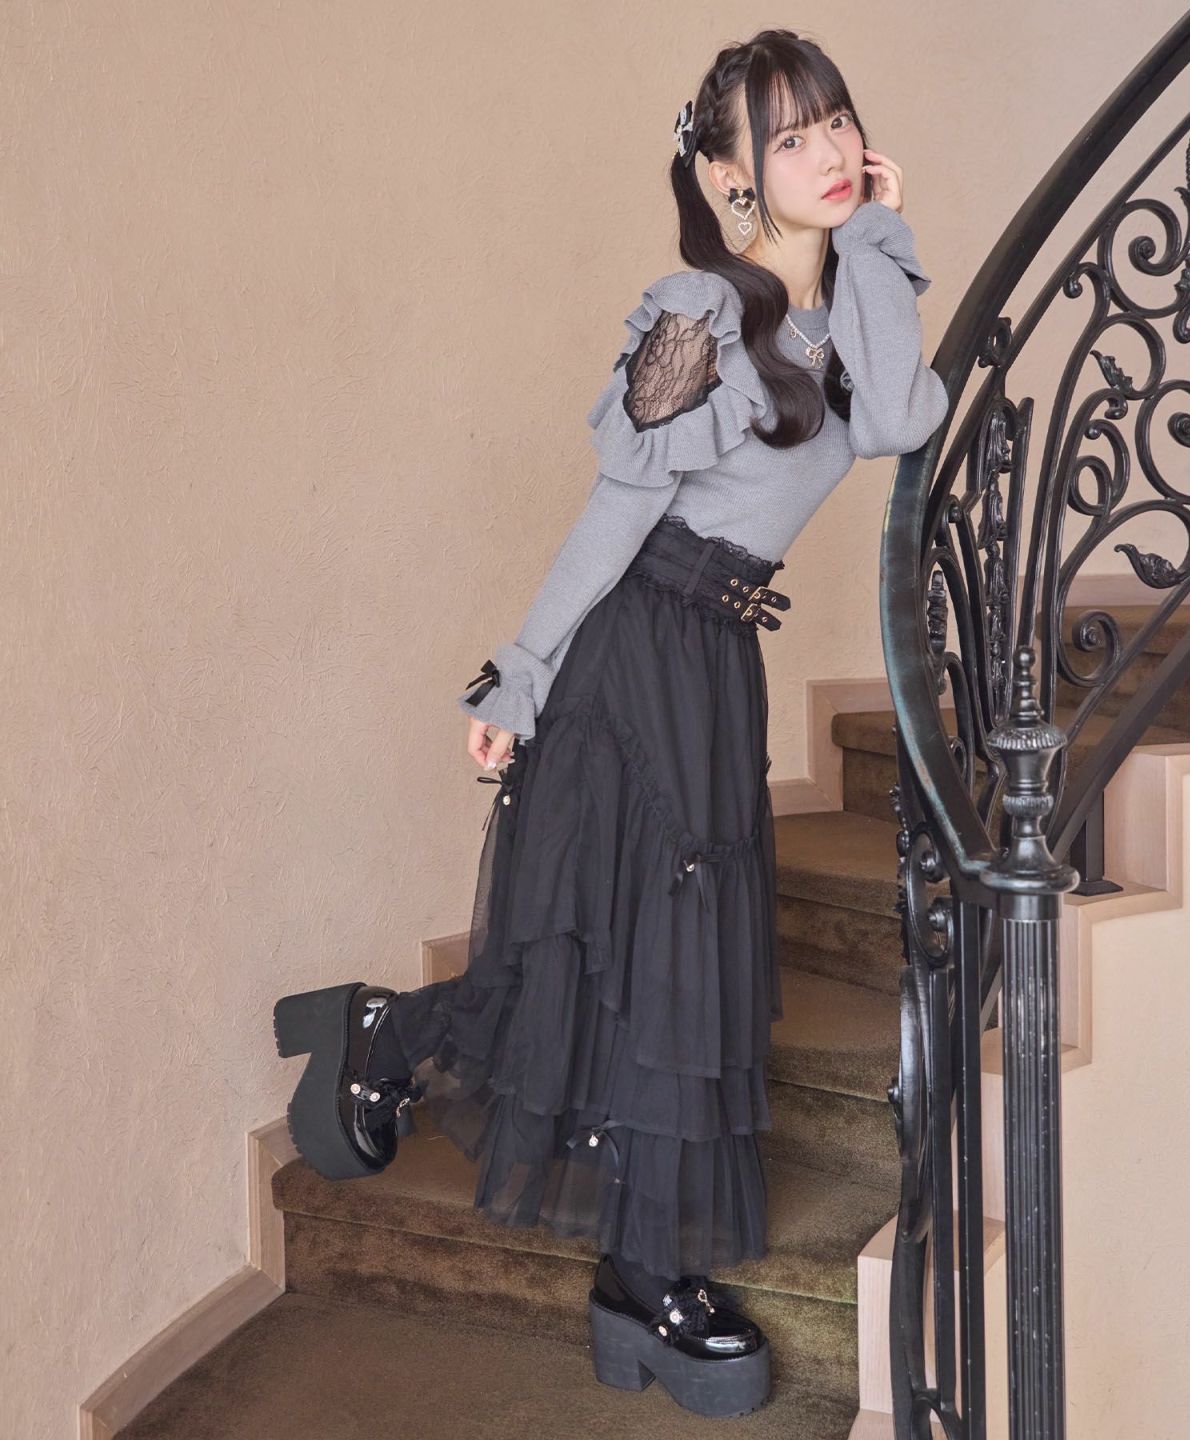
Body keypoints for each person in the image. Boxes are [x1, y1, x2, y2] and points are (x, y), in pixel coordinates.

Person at [271, 26, 949, 1420]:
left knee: (657, 955)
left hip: (716, 655)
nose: (825, 150)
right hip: (635, 648)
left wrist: (882, 232)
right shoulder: (699, 313)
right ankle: (645, 1272)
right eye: (789, 137)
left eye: (835, 121)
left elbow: (897, 418)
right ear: (733, 175)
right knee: (639, 953)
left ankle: (392, 1037)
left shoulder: (847, 303)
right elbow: (618, 513)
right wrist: (519, 675)